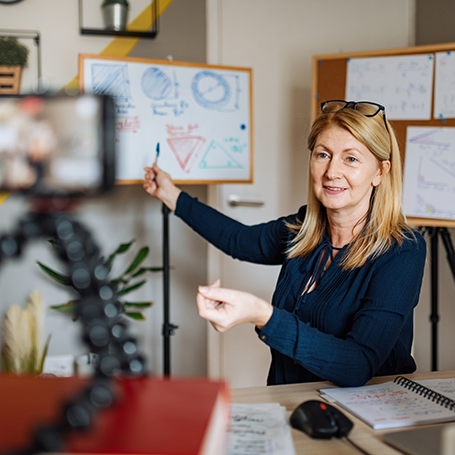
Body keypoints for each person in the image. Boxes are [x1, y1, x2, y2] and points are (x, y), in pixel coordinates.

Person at [143, 100, 426, 387]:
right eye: (323, 155)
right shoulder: (303, 229)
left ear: (380, 171)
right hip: (293, 402)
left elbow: (357, 365)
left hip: (367, 414)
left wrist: (261, 314)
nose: (331, 171)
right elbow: (238, 241)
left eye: (351, 159)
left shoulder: (402, 249)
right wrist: (170, 195)